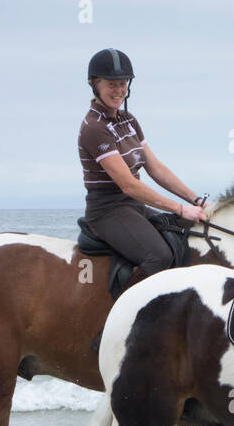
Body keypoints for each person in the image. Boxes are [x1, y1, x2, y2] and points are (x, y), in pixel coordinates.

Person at [78, 48, 208, 276]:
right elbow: (128, 185)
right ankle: (127, 311)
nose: (119, 91)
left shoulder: (128, 121)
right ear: (95, 85)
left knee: (187, 235)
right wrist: (179, 208)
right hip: (107, 211)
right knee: (159, 256)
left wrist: (195, 200)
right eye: (111, 84)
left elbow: (155, 168)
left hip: (133, 206)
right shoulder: (95, 128)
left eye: (123, 84)